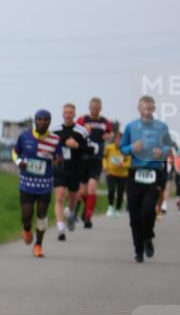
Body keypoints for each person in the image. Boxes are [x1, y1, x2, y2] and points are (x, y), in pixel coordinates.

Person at [120, 95, 174, 262]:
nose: (147, 111)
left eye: (150, 109)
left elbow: (168, 146)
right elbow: (122, 148)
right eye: (145, 108)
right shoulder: (131, 126)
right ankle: (138, 250)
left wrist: (162, 152)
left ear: (154, 109)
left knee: (148, 210)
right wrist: (131, 147)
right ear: (139, 109)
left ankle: (148, 237)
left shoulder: (162, 127)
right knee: (134, 216)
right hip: (135, 173)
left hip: (153, 173)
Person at [12, 110, 62, 257]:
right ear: (35, 121)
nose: (42, 122)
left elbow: (58, 157)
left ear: (49, 122)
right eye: (39, 119)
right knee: (26, 215)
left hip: (45, 183)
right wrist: (19, 162)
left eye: (46, 120)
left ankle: (38, 245)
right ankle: (27, 230)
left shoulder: (55, 139)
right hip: (27, 182)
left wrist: (58, 161)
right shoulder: (25, 136)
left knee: (42, 215)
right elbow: (15, 152)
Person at [51, 104, 89, 241]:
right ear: (62, 114)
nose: (67, 115)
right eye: (65, 112)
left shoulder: (82, 131)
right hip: (59, 167)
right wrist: (62, 144)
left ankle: (71, 213)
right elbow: (50, 145)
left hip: (75, 168)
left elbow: (89, 149)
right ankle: (60, 227)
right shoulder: (55, 130)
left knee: (73, 197)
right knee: (60, 196)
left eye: (70, 113)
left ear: (74, 115)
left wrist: (78, 146)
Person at [75, 98, 113, 228]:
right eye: (92, 107)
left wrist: (108, 136)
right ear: (89, 107)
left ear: (100, 109)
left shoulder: (104, 122)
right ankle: (86, 209)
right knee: (82, 192)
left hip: (96, 159)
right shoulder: (82, 119)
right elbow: (74, 132)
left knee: (92, 188)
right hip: (83, 158)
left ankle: (87, 217)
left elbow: (110, 133)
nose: (94, 110)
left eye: (97, 108)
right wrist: (82, 129)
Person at [103, 130, 131, 216]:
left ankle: (118, 208)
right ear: (114, 140)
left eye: (121, 139)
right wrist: (105, 167)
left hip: (123, 174)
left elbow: (130, 162)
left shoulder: (126, 149)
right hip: (111, 173)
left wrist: (124, 164)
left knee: (120, 192)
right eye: (117, 139)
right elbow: (104, 157)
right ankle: (110, 206)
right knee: (111, 190)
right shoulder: (109, 147)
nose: (118, 141)